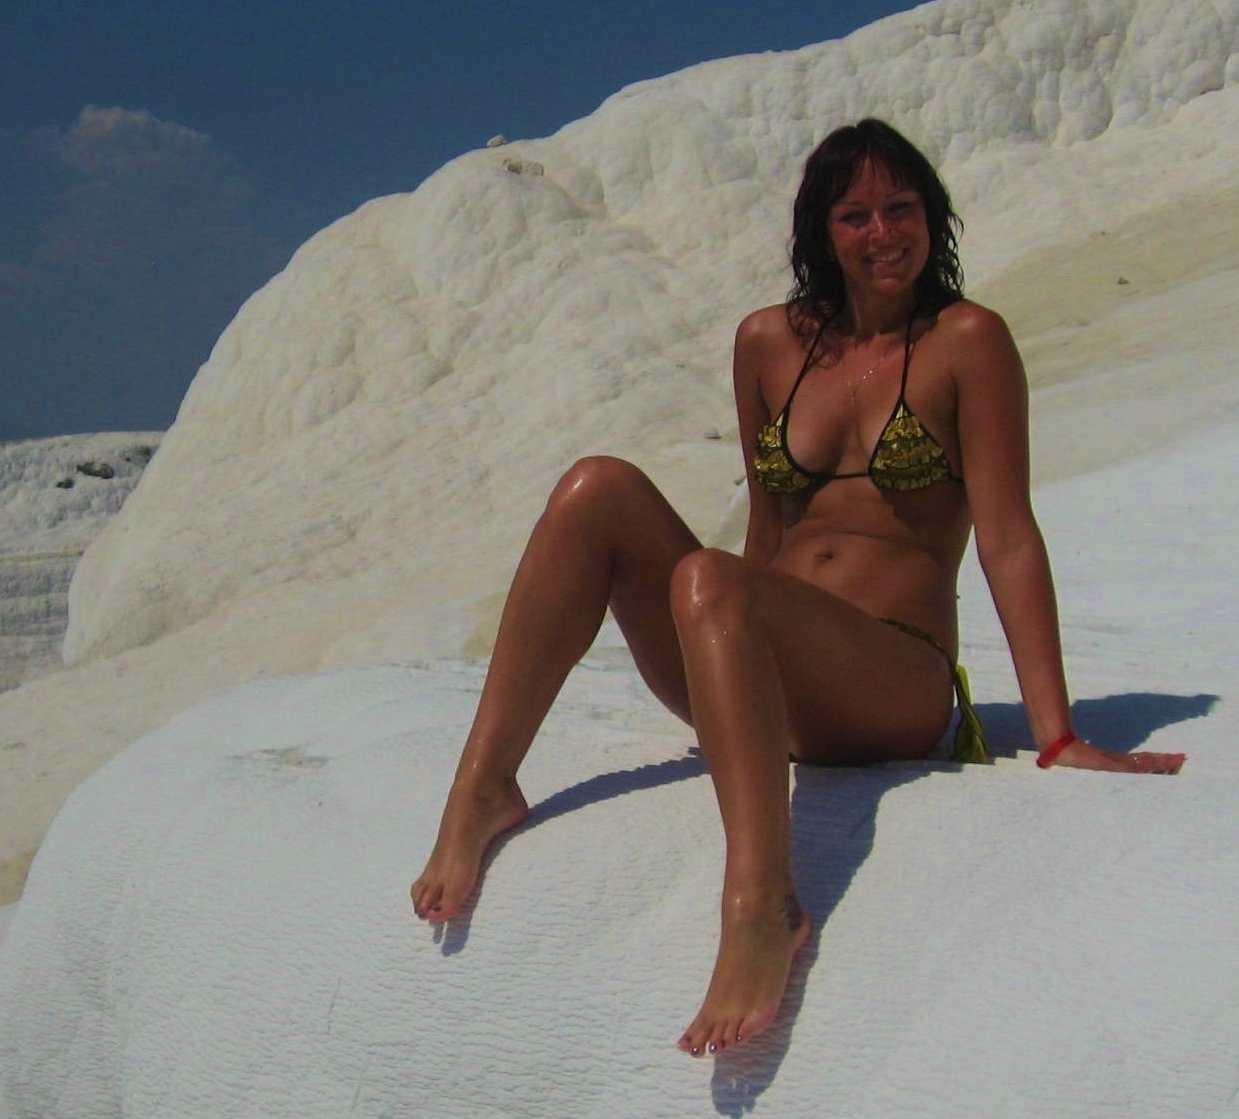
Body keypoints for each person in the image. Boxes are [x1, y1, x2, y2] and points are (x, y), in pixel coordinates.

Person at [409, 118, 1186, 1059]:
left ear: (933, 216)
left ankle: (762, 908)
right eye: (854, 215)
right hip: (764, 670)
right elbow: (766, 531)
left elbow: (1008, 538)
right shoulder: (768, 344)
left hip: (890, 683)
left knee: (709, 577)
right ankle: (484, 787)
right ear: (820, 230)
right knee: (595, 488)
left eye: (900, 208)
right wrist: (727, 648)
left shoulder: (966, 341)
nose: (881, 233)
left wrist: (1056, 734)